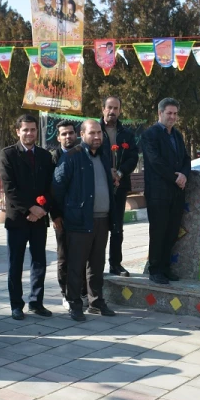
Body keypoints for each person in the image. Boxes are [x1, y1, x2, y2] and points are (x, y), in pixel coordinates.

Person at [53, 120, 121, 321]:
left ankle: (96, 302)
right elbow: (57, 187)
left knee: (97, 265)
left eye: (99, 133)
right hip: (79, 221)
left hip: (102, 220)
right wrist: (58, 215)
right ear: (82, 135)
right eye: (92, 133)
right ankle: (75, 304)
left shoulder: (104, 156)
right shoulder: (72, 157)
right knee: (76, 265)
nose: (97, 136)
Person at [0, 114, 55, 320]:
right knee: (15, 263)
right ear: (18, 132)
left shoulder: (45, 156)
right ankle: (16, 304)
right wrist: (30, 209)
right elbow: (10, 188)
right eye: (25, 130)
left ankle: (36, 302)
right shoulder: (8, 154)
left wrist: (42, 209)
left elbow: (51, 186)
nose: (29, 133)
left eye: (32, 129)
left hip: (39, 218)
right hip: (18, 219)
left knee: (39, 261)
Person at [142, 98, 191, 285]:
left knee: (171, 232)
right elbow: (155, 161)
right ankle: (155, 269)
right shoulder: (150, 135)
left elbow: (186, 158)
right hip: (158, 193)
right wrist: (175, 177)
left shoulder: (177, 135)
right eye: (169, 113)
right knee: (158, 232)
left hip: (176, 193)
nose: (172, 117)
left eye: (175, 113)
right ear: (160, 113)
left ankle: (165, 267)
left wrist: (184, 174)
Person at [100, 95, 139, 277]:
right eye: (109, 107)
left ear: (120, 111)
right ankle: (96, 264)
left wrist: (120, 173)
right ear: (103, 109)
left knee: (117, 226)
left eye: (116, 108)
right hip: (99, 185)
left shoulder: (126, 134)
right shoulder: (95, 130)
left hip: (120, 185)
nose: (112, 111)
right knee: (99, 226)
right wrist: (107, 171)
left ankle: (115, 264)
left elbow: (133, 157)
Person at [48, 120, 84, 308]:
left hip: (81, 215)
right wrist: (55, 215)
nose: (68, 136)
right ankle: (65, 293)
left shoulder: (82, 154)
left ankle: (82, 291)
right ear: (58, 137)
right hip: (61, 216)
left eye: (71, 133)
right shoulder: (53, 159)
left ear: (76, 135)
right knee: (64, 256)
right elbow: (51, 190)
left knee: (82, 255)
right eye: (64, 134)